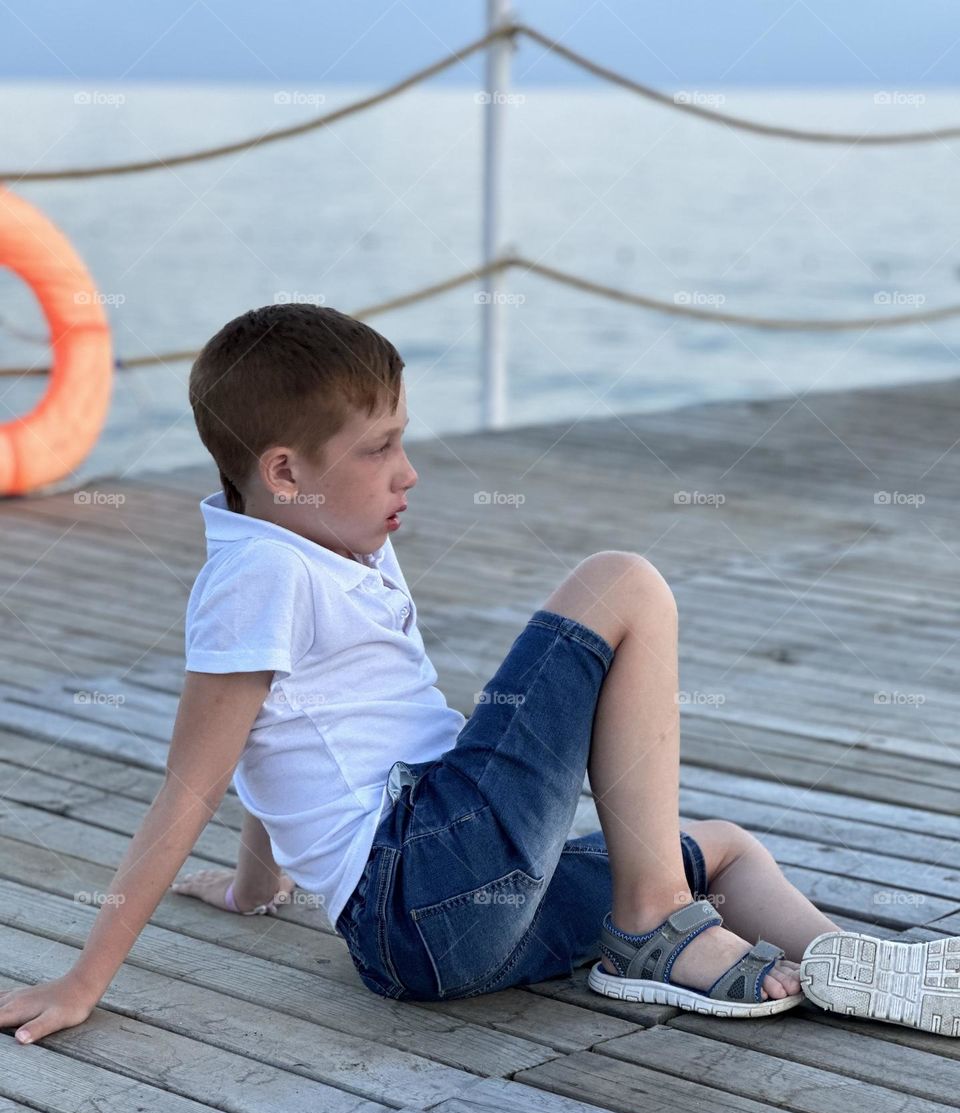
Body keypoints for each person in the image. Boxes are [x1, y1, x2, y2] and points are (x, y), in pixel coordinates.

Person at [1, 305, 955, 1044]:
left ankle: (844, 963)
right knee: (621, 584)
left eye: (404, 440)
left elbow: (284, 730)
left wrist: (257, 887)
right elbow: (191, 781)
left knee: (727, 845)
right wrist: (82, 982)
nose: (408, 472)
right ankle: (656, 927)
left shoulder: (331, 542)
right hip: (423, 877)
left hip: (452, 928)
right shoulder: (260, 573)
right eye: (378, 450)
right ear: (285, 471)